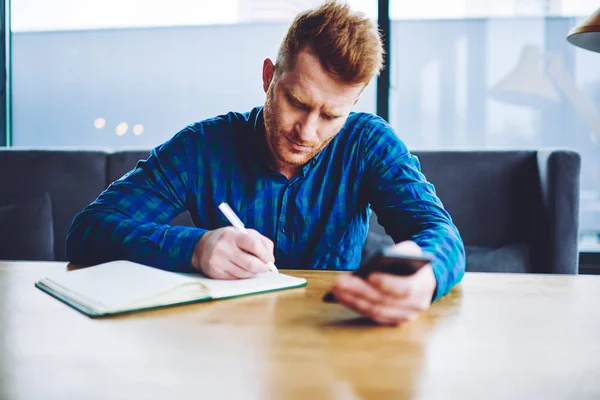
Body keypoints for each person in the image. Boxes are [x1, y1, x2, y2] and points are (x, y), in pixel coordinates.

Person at [66, 1, 465, 326]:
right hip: (224, 346)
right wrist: (196, 248)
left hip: (333, 342)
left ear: (353, 106)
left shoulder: (368, 143)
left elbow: (440, 233)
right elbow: (88, 230)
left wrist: (426, 276)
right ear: (268, 77)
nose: (306, 131)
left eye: (330, 116)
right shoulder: (202, 147)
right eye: (297, 102)